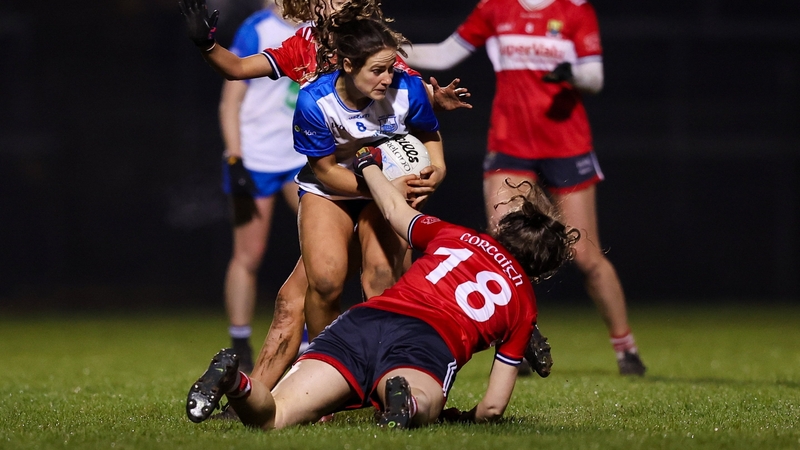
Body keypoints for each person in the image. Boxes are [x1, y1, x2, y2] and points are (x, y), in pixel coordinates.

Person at [179, 0, 470, 390]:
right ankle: (289, 390)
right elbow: (239, 69)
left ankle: (377, 380)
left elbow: (403, 94)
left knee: (377, 279)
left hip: (380, 182)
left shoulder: (375, 46)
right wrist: (207, 45)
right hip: (332, 179)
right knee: (308, 291)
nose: (341, 2)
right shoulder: (304, 49)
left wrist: (435, 114)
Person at [185, 143, 579, 429]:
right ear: (541, 268)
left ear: (507, 229)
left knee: (275, 416)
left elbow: (393, 210)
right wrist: (461, 417)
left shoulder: (453, 235)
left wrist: (369, 164)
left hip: (365, 320)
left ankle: (235, 380)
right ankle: (404, 400)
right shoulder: (524, 305)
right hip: (428, 342)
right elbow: (493, 407)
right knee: (422, 401)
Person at [399, 0, 646, 375]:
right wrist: (386, 50)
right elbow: (447, 53)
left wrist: (571, 75)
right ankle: (516, 341)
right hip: (509, 143)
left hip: (566, 144)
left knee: (586, 256)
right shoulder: (496, 7)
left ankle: (625, 347)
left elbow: (594, 78)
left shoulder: (575, 9)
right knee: (502, 247)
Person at [217, 2, 308, 374]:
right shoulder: (257, 28)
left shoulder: (319, 28)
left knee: (320, 249)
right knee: (247, 255)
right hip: (255, 155)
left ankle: (308, 342)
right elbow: (230, 100)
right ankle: (241, 343)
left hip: (302, 154)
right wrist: (235, 157)